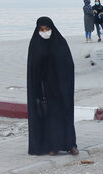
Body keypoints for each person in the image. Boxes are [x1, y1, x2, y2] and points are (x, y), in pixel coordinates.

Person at [27, 17, 78, 156]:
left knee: (66, 114)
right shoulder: (35, 44)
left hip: (62, 86)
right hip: (45, 89)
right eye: (42, 30)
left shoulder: (60, 42)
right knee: (51, 118)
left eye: (47, 29)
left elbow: (69, 64)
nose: (45, 32)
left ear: (52, 29)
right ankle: (52, 146)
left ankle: (70, 144)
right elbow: (33, 69)